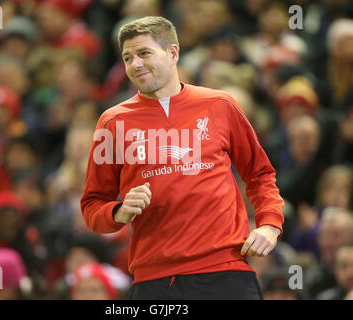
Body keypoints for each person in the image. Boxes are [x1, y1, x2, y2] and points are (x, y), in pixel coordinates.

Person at [80, 16, 284, 300]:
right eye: (127, 58)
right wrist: (119, 212)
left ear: (173, 52)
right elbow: (92, 206)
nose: (134, 64)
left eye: (144, 53)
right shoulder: (112, 122)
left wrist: (270, 225)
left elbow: (260, 174)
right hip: (154, 281)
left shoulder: (220, 105)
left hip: (225, 272)